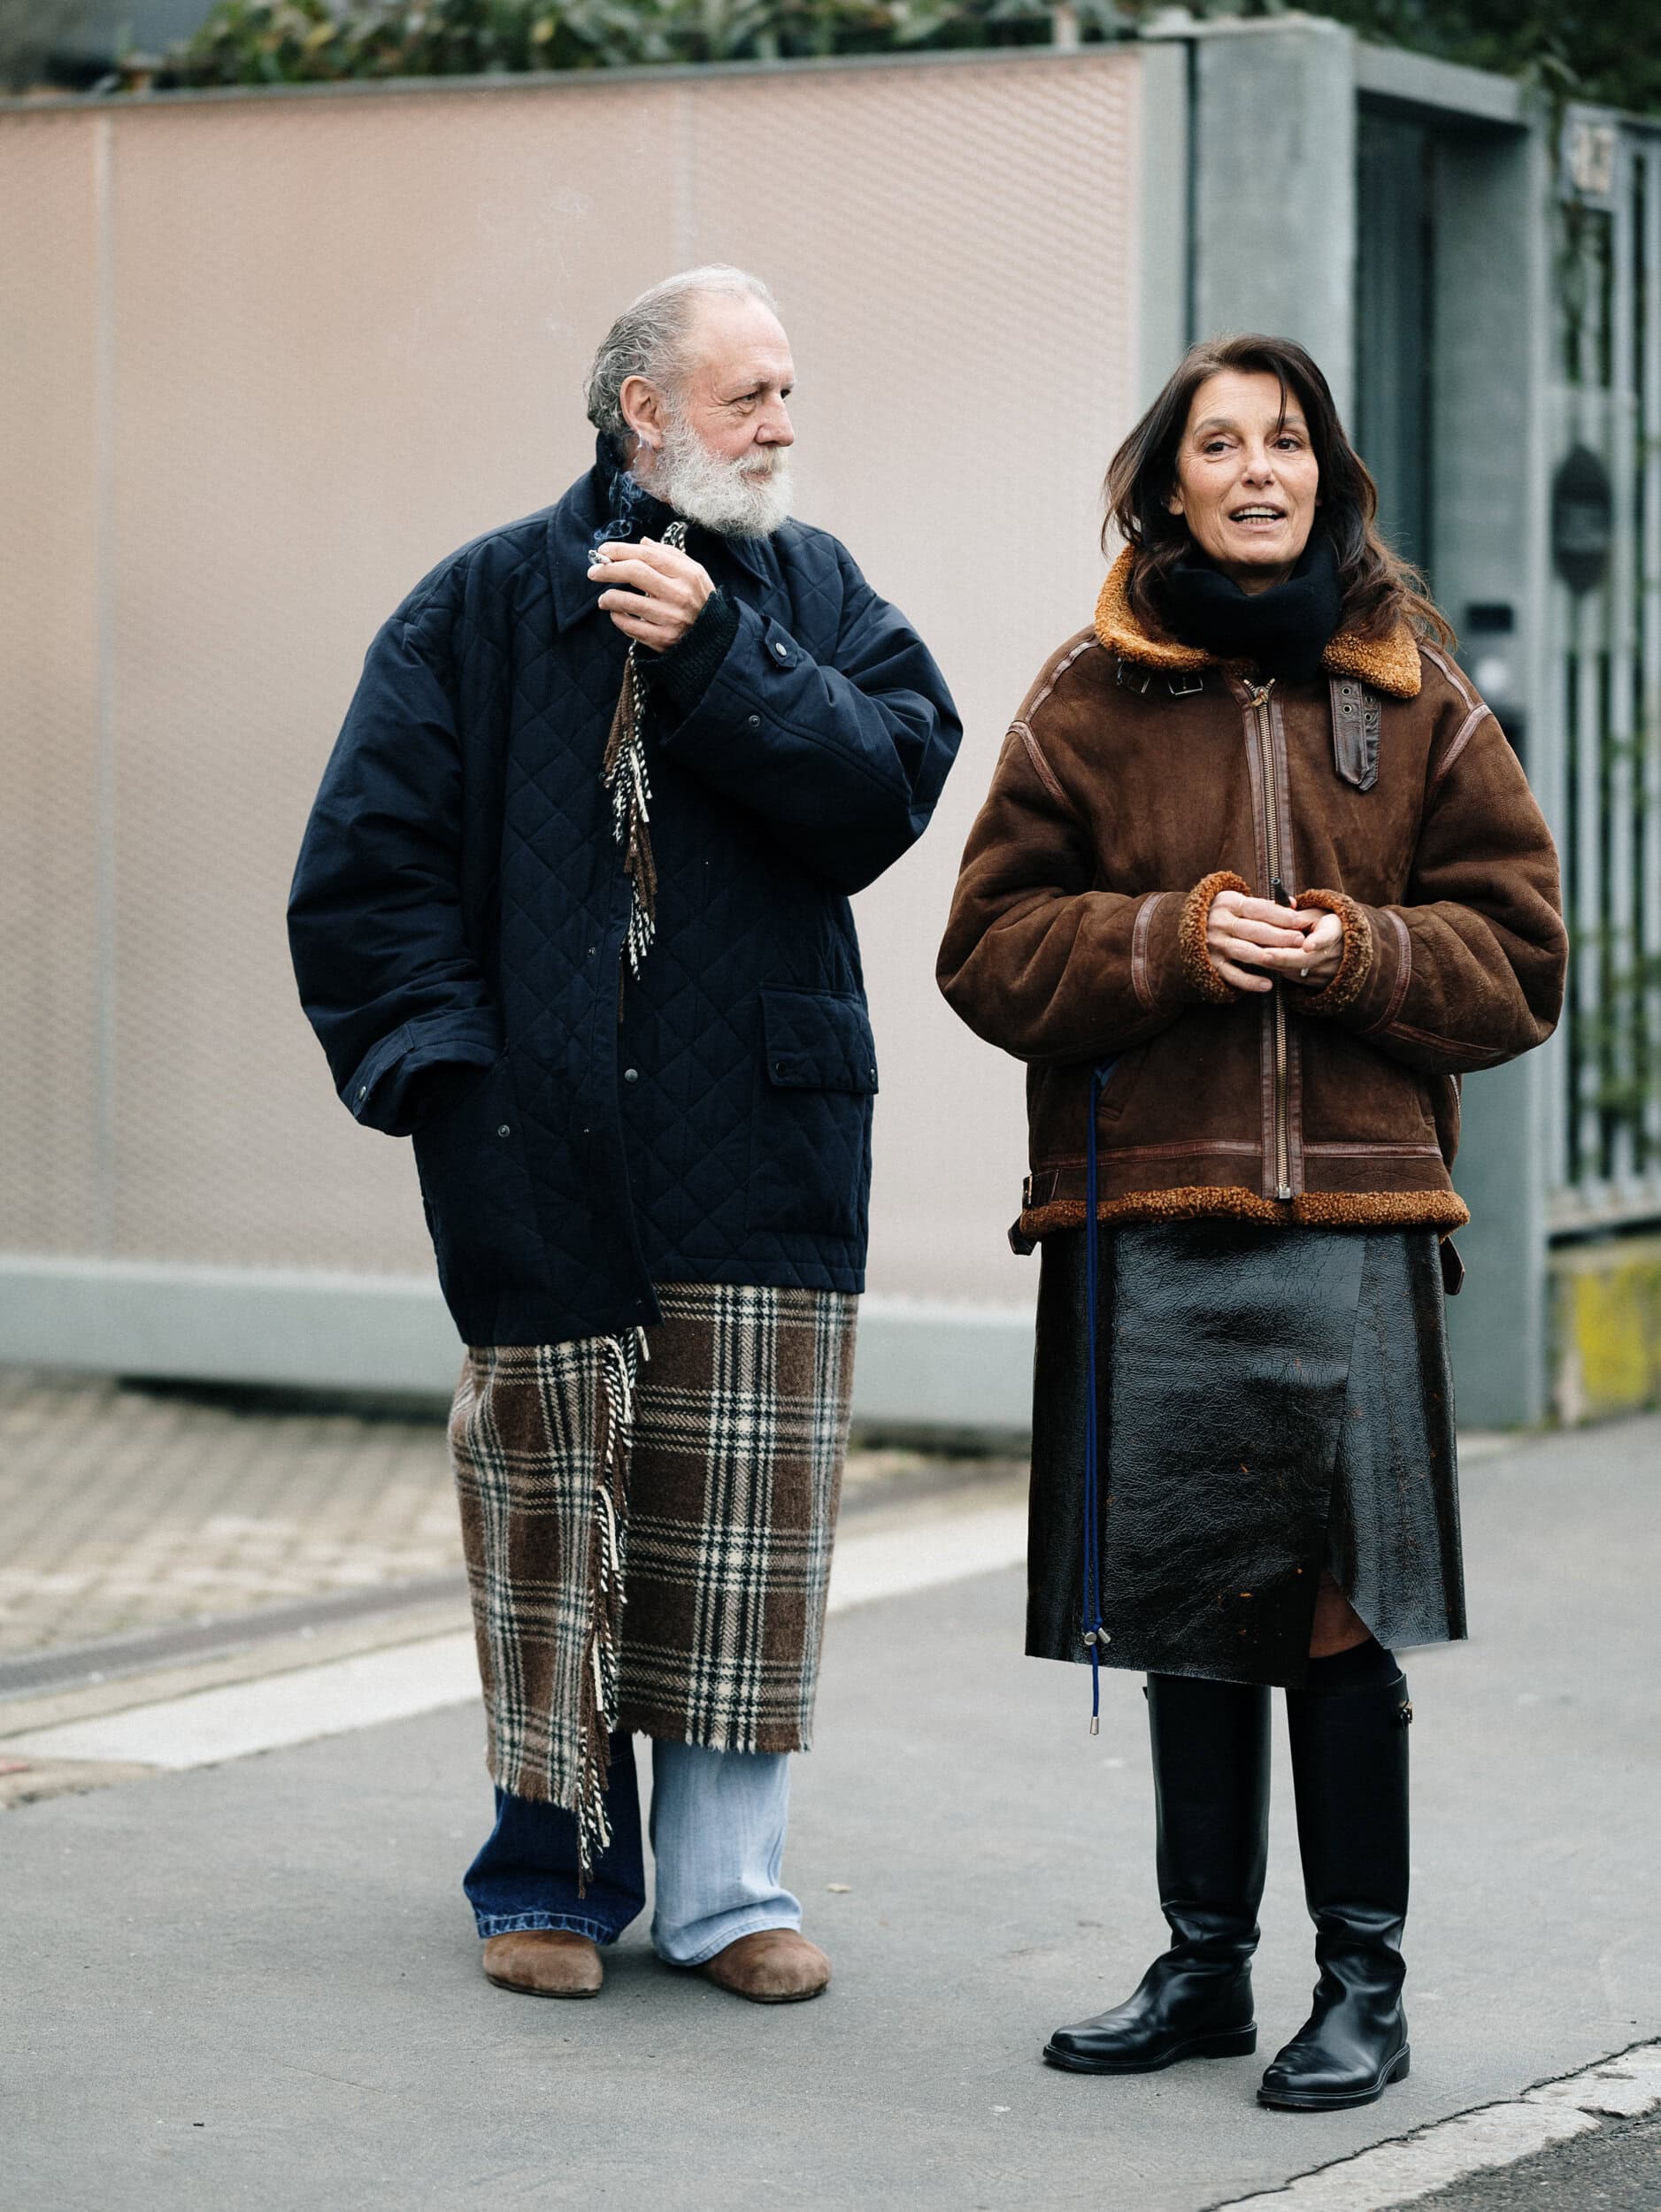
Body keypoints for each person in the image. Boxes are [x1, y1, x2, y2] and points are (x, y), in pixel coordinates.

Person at [289, 266, 960, 2006]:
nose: (784, 425)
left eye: (790, 391)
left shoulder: (807, 592)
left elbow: (890, 782)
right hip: (538, 1138)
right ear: (643, 410)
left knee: (738, 1508)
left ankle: (730, 1891)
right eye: (750, 396)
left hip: (764, 1128)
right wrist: (449, 1077)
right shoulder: (487, 602)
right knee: (549, 1510)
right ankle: (550, 1872)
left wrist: (725, 652)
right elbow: (366, 870)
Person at [937, 334, 1565, 2109]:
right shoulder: (1090, 691)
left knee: (1339, 1617)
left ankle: (1363, 1983)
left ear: (1329, 475)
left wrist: (1360, 950)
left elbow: (1521, 956)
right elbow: (986, 947)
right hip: (1152, 1216)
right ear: (1170, 484)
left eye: (1288, 441)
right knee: (1189, 1602)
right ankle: (1204, 1966)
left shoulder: (1415, 689)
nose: (1260, 468)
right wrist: (1164, 939)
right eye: (1224, 443)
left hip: (1353, 1224)